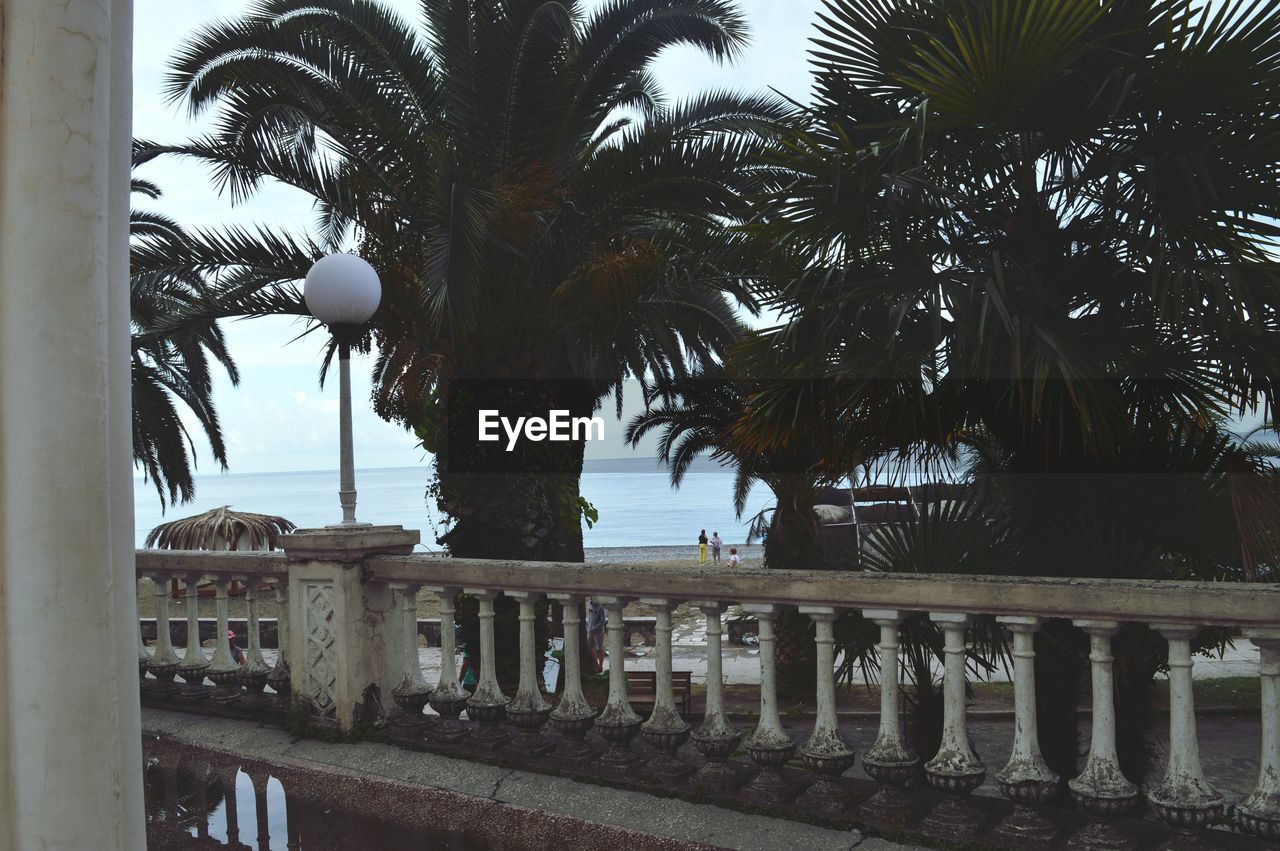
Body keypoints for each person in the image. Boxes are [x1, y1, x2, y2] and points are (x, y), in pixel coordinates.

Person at [586, 598, 607, 673]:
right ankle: (596, 665)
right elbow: (589, 617)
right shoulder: (589, 604)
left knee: (599, 649)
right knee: (589, 648)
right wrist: (588, 626)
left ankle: (600, 666)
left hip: (598, 631)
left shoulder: (601, 607)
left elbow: (602, 621)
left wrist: (594, 628)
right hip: (590, 630)